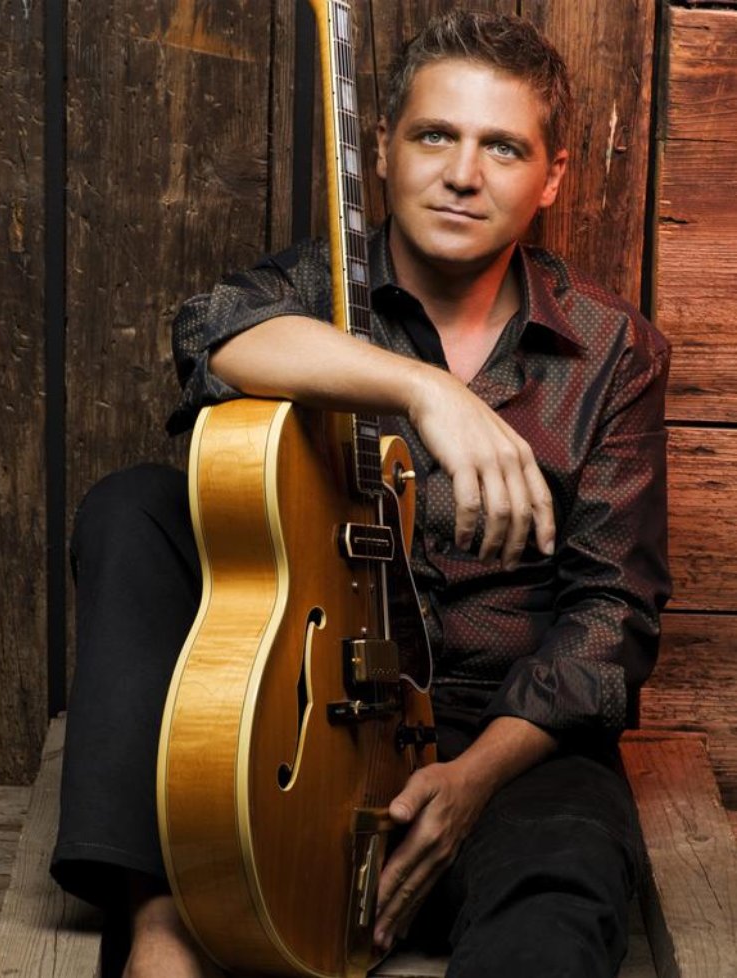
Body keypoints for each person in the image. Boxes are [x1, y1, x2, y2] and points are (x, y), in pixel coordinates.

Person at [51, 10, 671, 978]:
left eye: (502, 147)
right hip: (299, 709)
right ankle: (163, 924)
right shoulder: (315, 288)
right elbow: (211, 334)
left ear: (550, 177)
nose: (461, 174)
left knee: (562, 894)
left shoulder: (612, 351)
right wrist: (425, 391)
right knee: (134, 507)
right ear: (381, 148)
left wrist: (472, 779)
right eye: (434, 135)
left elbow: (610, 613)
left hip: (502, 731)